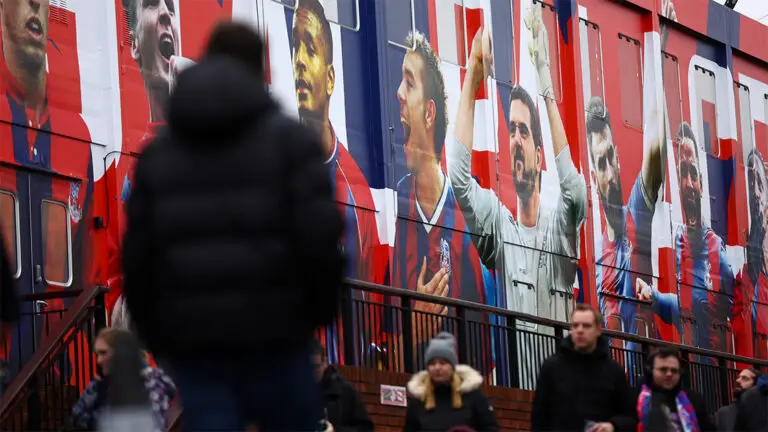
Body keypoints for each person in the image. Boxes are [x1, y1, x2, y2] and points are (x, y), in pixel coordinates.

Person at [121, 21, 344, 431]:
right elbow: (321, 244)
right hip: (278, 340)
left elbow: (139, 262)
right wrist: (310, 316)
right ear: (260, 72)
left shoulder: (161, 157)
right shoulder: (291, 145)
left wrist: (165, 338)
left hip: (201, 348)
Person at [451, 3, 587, 326]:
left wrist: (546, 85)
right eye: (511, 130)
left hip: (558, 379)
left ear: (539, 157)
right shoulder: (500, 229)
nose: (515, 140)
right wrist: (474, 70)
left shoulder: (558, 232)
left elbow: (576, 192)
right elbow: (457, 175)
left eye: (523, 131)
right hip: (517, 380)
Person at [290, 0, 384, 364]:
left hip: (338, 372)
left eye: (309, 49)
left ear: (330, 78)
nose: (298, 58)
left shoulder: (357, 193)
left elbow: (370, 312)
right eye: (295, 45)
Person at [392, 29, 494, 360]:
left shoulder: (464, 225)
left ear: (430, 112)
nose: (398, 94)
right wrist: (413, 331)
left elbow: (482, 364)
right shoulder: (393, 207)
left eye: (409, 83)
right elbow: (378, 359)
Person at [637, 122, 735, 362]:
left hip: (715, 378)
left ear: (701, 182)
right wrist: (655, 297)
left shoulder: (717, 253)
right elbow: (684, 309)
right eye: (683, 174)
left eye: (693, 174)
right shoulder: (679, 241)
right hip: (688, 372)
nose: (688, 184)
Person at [531, 304, 634, 432]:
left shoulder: (614, 371)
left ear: (598, 330)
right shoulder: (552, 368)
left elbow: (630, 418)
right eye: (575, 325)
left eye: (586, 326)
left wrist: (613, 426)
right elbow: (539, 418)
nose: (580, 330)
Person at [67, 328, 176, 432]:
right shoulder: (99, 384)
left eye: (104, 353)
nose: (99, 360)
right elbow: (77, 414)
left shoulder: (151, 380)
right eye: (97, 354)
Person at [403, 332, 498, 432]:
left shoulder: (473, 397)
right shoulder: (418, 402)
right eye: (432, 363)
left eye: (443, 363)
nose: (437, 367)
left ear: (452, 366)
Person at [632, 347, 714, 432]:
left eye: (674, 371)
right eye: (663, 369)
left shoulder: (694, 400)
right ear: (650, 371)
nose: (669, 374)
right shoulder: (635, 399)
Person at [312, 339, 373, 432]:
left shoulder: (344, 390)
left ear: (324, 363)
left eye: (316, 367)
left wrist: (335, 431)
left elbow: (366, 429)